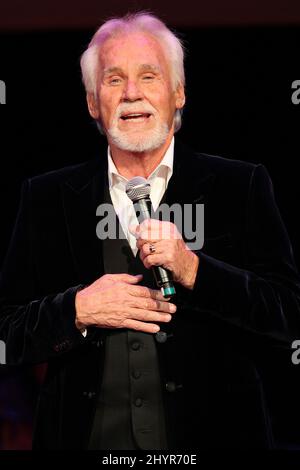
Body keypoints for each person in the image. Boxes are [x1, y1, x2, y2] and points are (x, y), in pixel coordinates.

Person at [0, 11, 300, 450]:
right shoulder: (46, 197)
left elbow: (288, 313)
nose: (132, 94)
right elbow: (7, 332)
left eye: (148, 76)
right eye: (114, 80)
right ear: (92, 101)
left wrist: (196, 269)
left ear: (178, 93)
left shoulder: (241, 185)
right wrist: (77, 310)